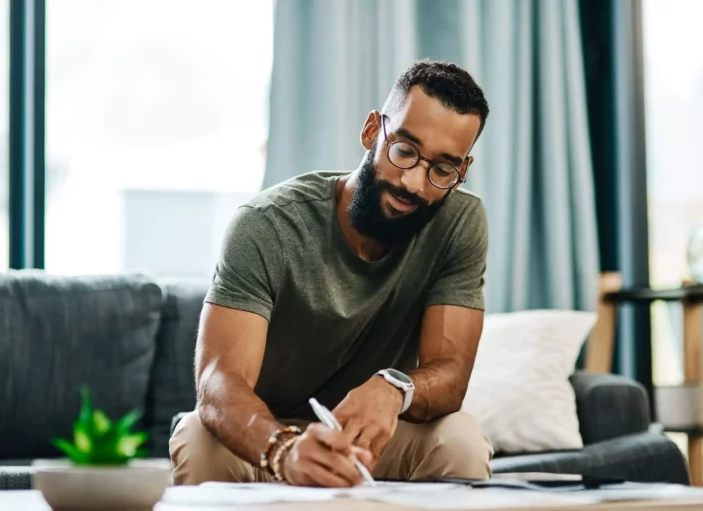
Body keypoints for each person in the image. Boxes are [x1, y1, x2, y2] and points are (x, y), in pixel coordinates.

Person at [170, 60, 494, 487]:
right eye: (404, 151)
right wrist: (283, 450)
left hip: (368, 441)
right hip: (266, 435)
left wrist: (395, 387)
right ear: (371, 131)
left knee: (460, 439)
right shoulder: (266, 224)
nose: (414, 183)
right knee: (198, 435)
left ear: (462, 171)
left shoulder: (459, 222)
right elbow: (218, 383)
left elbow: (450, 374)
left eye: (442, 169)